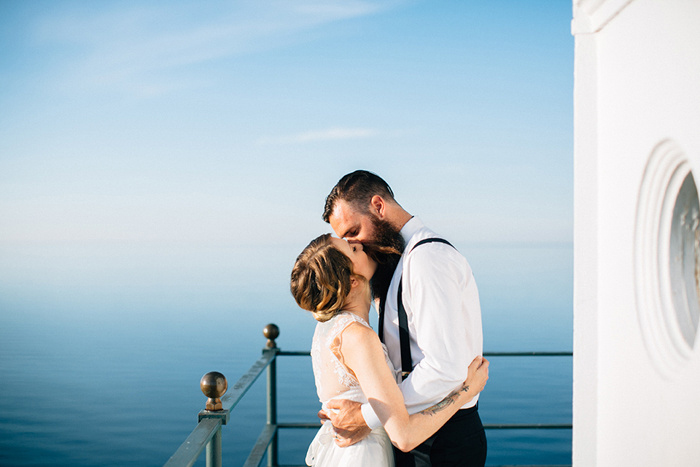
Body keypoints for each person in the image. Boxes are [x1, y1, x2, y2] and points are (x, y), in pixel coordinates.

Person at [321, 170, 487, 466]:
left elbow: (444, 368)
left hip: (442, 441)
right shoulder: (397, 260)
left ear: (378, 206)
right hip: (417, 432)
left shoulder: (426, 259)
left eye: (354, 232)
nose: (355, 245)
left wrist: (364, 415)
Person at [291, 234, 489, 467]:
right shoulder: (358, 336)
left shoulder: (326, 329)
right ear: (352, 281)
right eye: (352, 250)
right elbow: (404, 436)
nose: (358, 243)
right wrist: (466, 391)